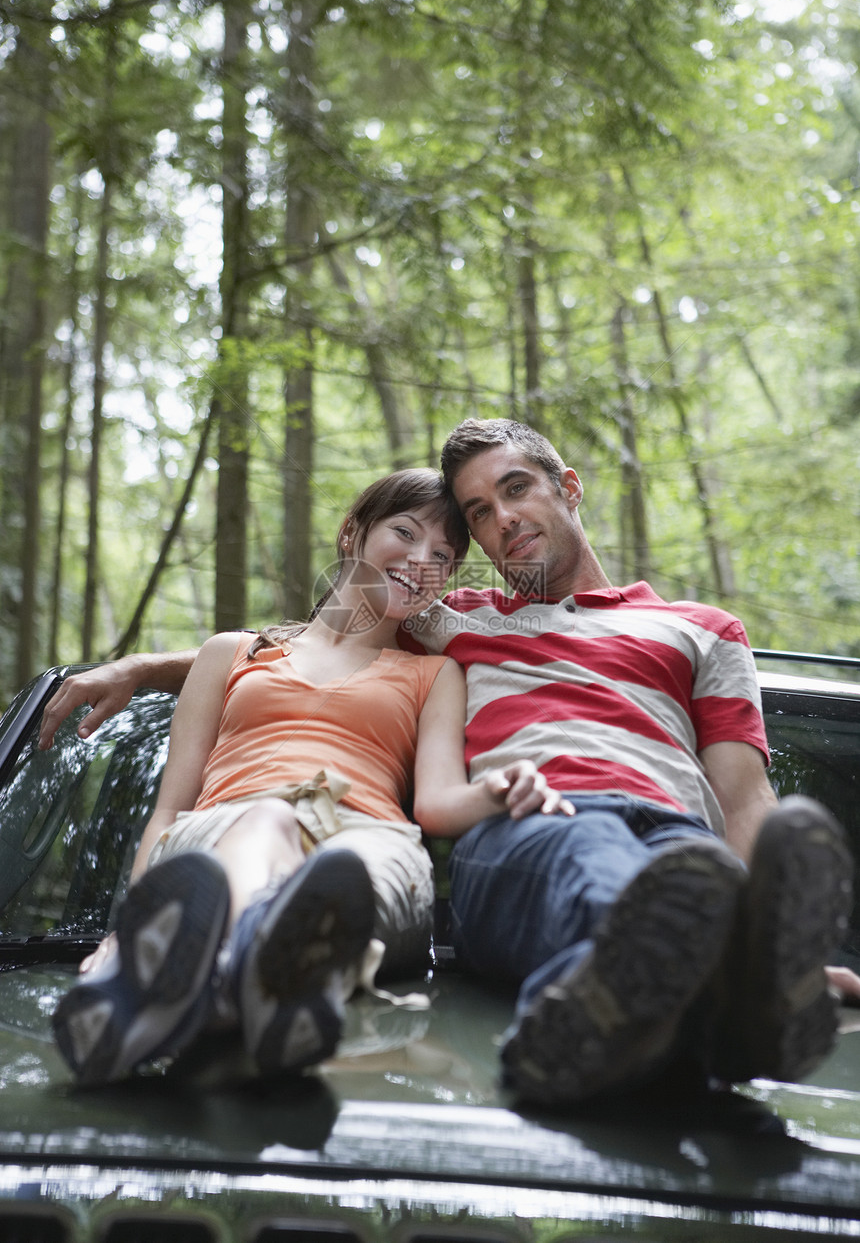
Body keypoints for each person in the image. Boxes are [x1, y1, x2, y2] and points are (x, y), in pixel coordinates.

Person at [42, 423, 857, 1105]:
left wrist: (778, 947)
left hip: (679, 837)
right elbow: (312, 646)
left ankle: (721, 996)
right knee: (597, 854)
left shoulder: (704, 629)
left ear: (568, 487)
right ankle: (625, 995)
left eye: (515, 490)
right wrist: (144, 667)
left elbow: (745, 802)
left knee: (690, 872)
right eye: (479, 510)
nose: (500, 520)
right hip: (542, 822)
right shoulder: (457, 626)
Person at [51, 466, 570, 1086]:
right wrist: (127, 926)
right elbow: (171, 810)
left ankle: (173, 987)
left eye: (443, 556)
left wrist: (498, 790)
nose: (420, 561)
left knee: (327, 875)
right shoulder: (231, 654)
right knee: (268, 819)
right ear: (352, 533)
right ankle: (246, 986)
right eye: (403, 533)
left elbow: (436, 805)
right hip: (218, 834)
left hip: (362, 855)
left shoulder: (435, 675)